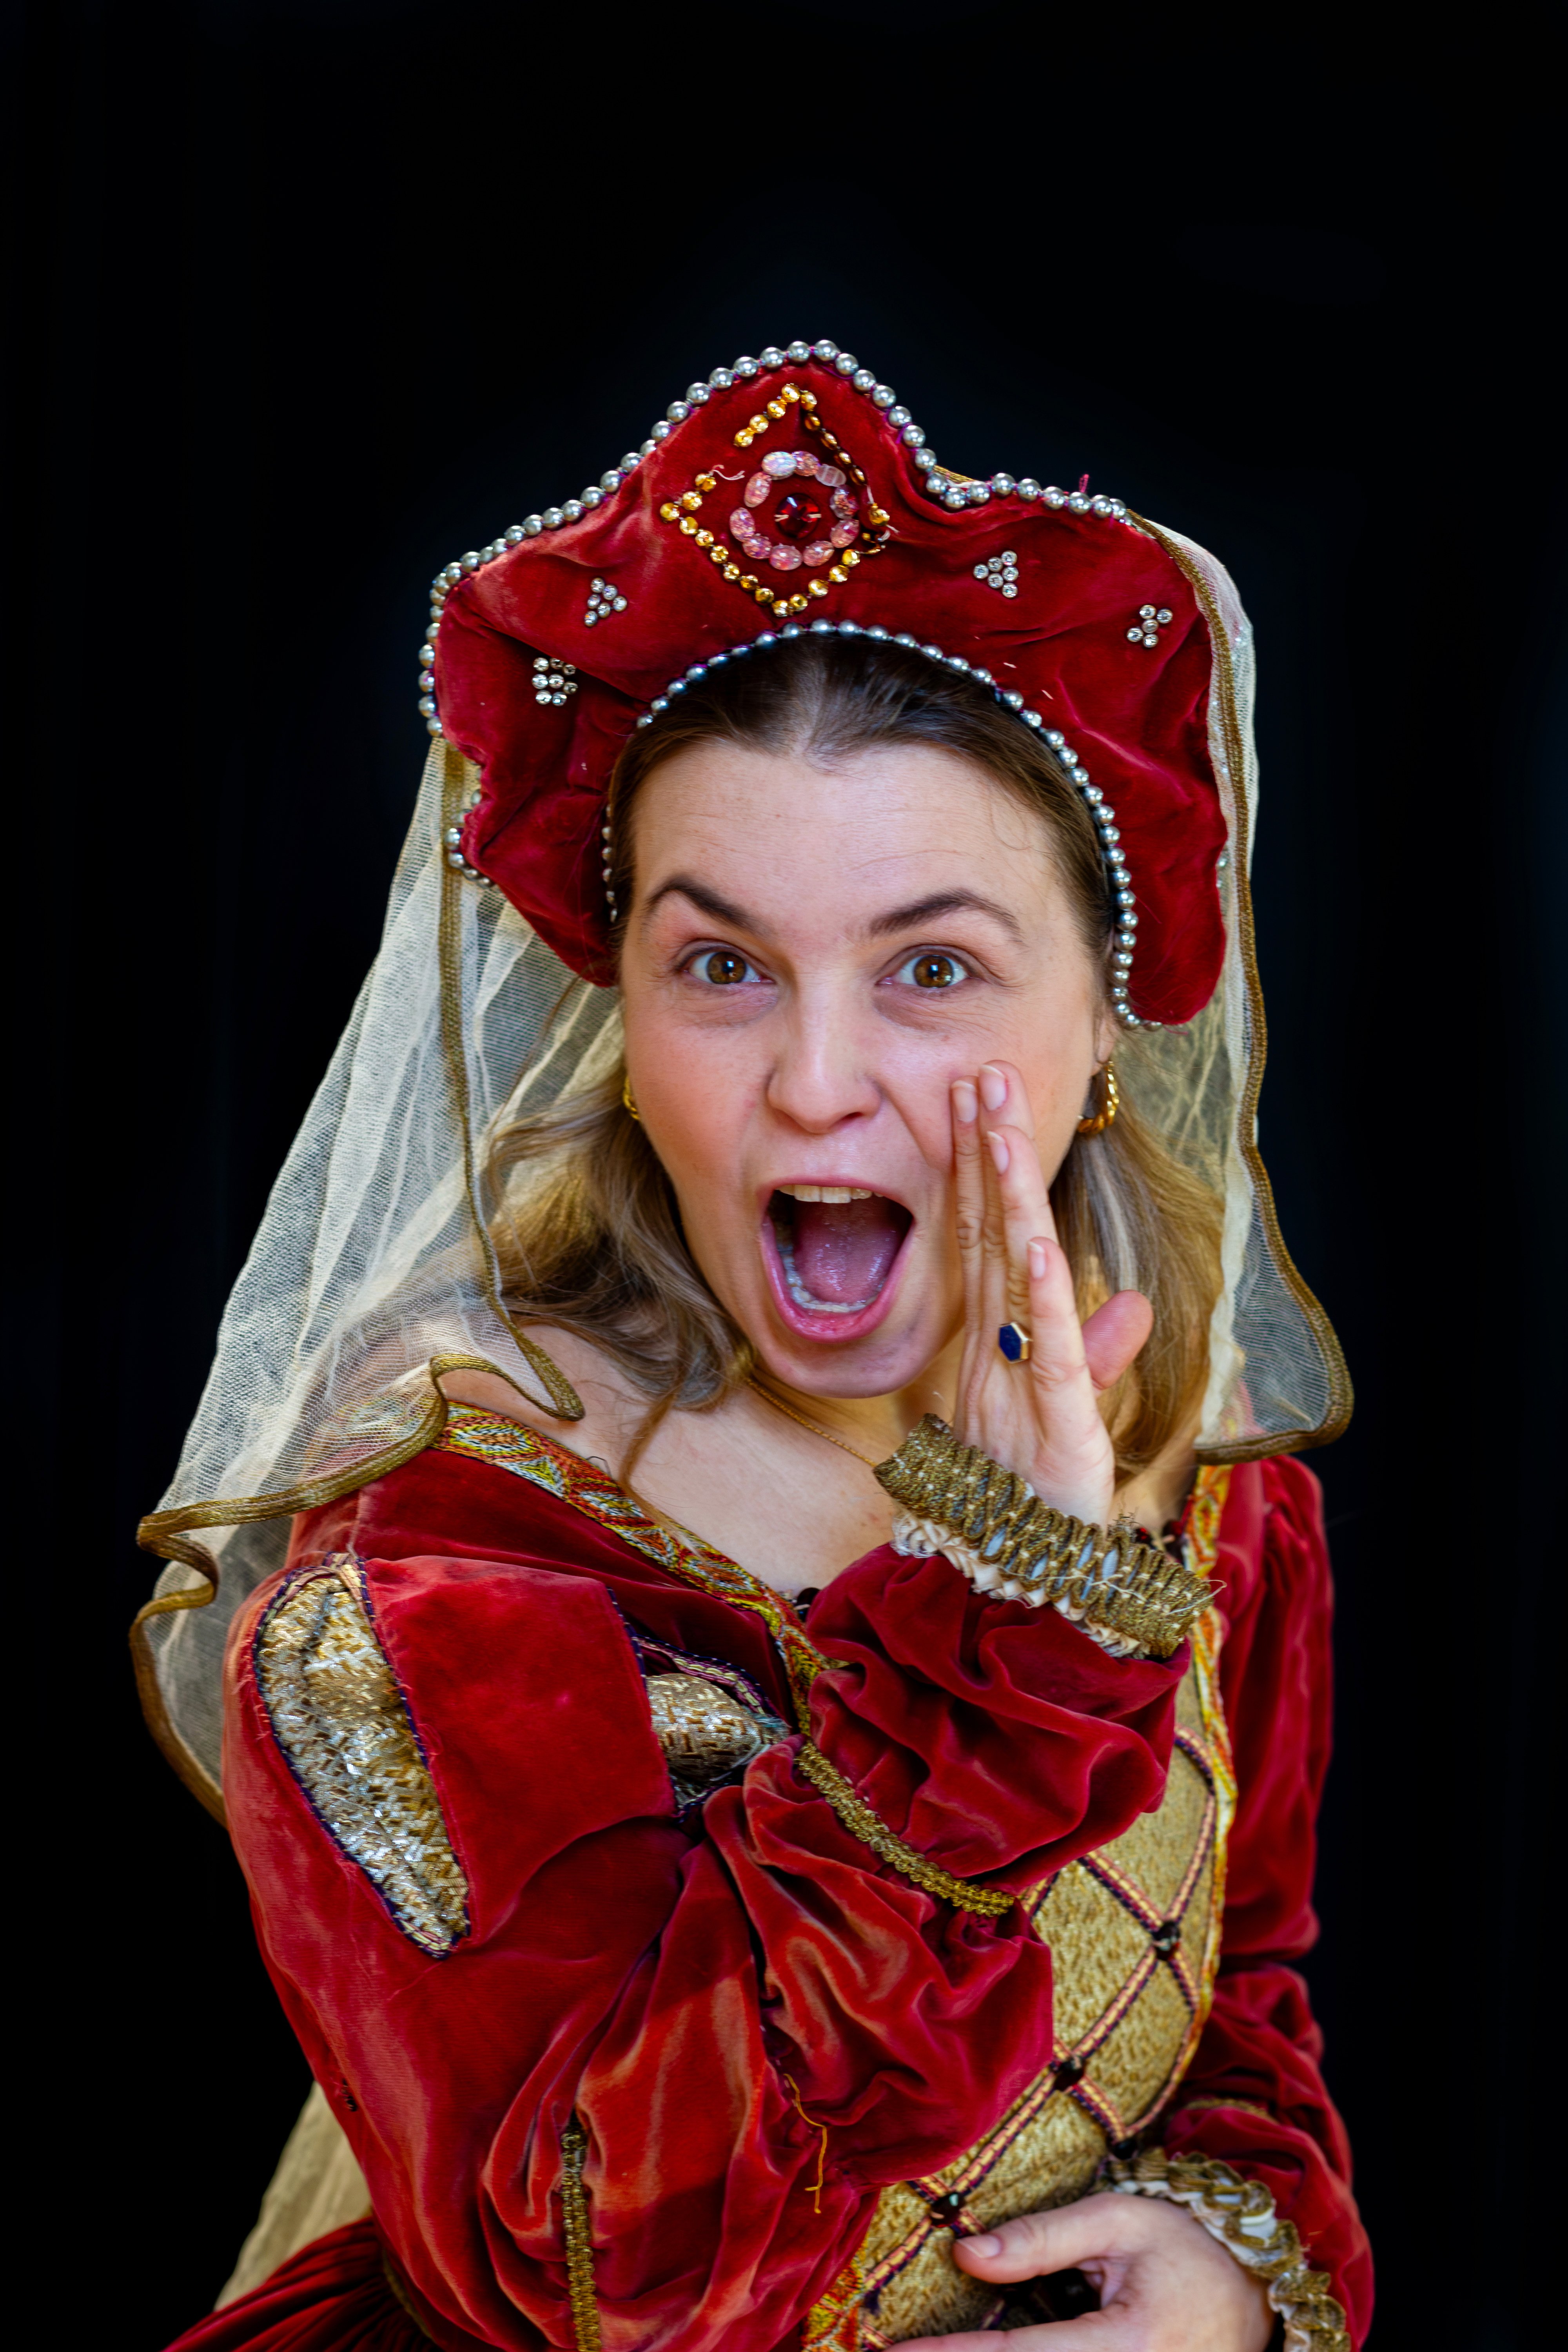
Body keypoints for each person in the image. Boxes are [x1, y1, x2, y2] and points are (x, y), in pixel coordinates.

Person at [137, 343, 1368, 2352]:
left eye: (935, 968)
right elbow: (602, 2274)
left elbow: (1245, 2020)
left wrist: (1231, 2276)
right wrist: (1003, 1641)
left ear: (1099, 1030)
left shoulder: (1218, 1511)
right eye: (722, 966)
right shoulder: (436, 1571)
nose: (814, 1084)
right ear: (620, 1009)